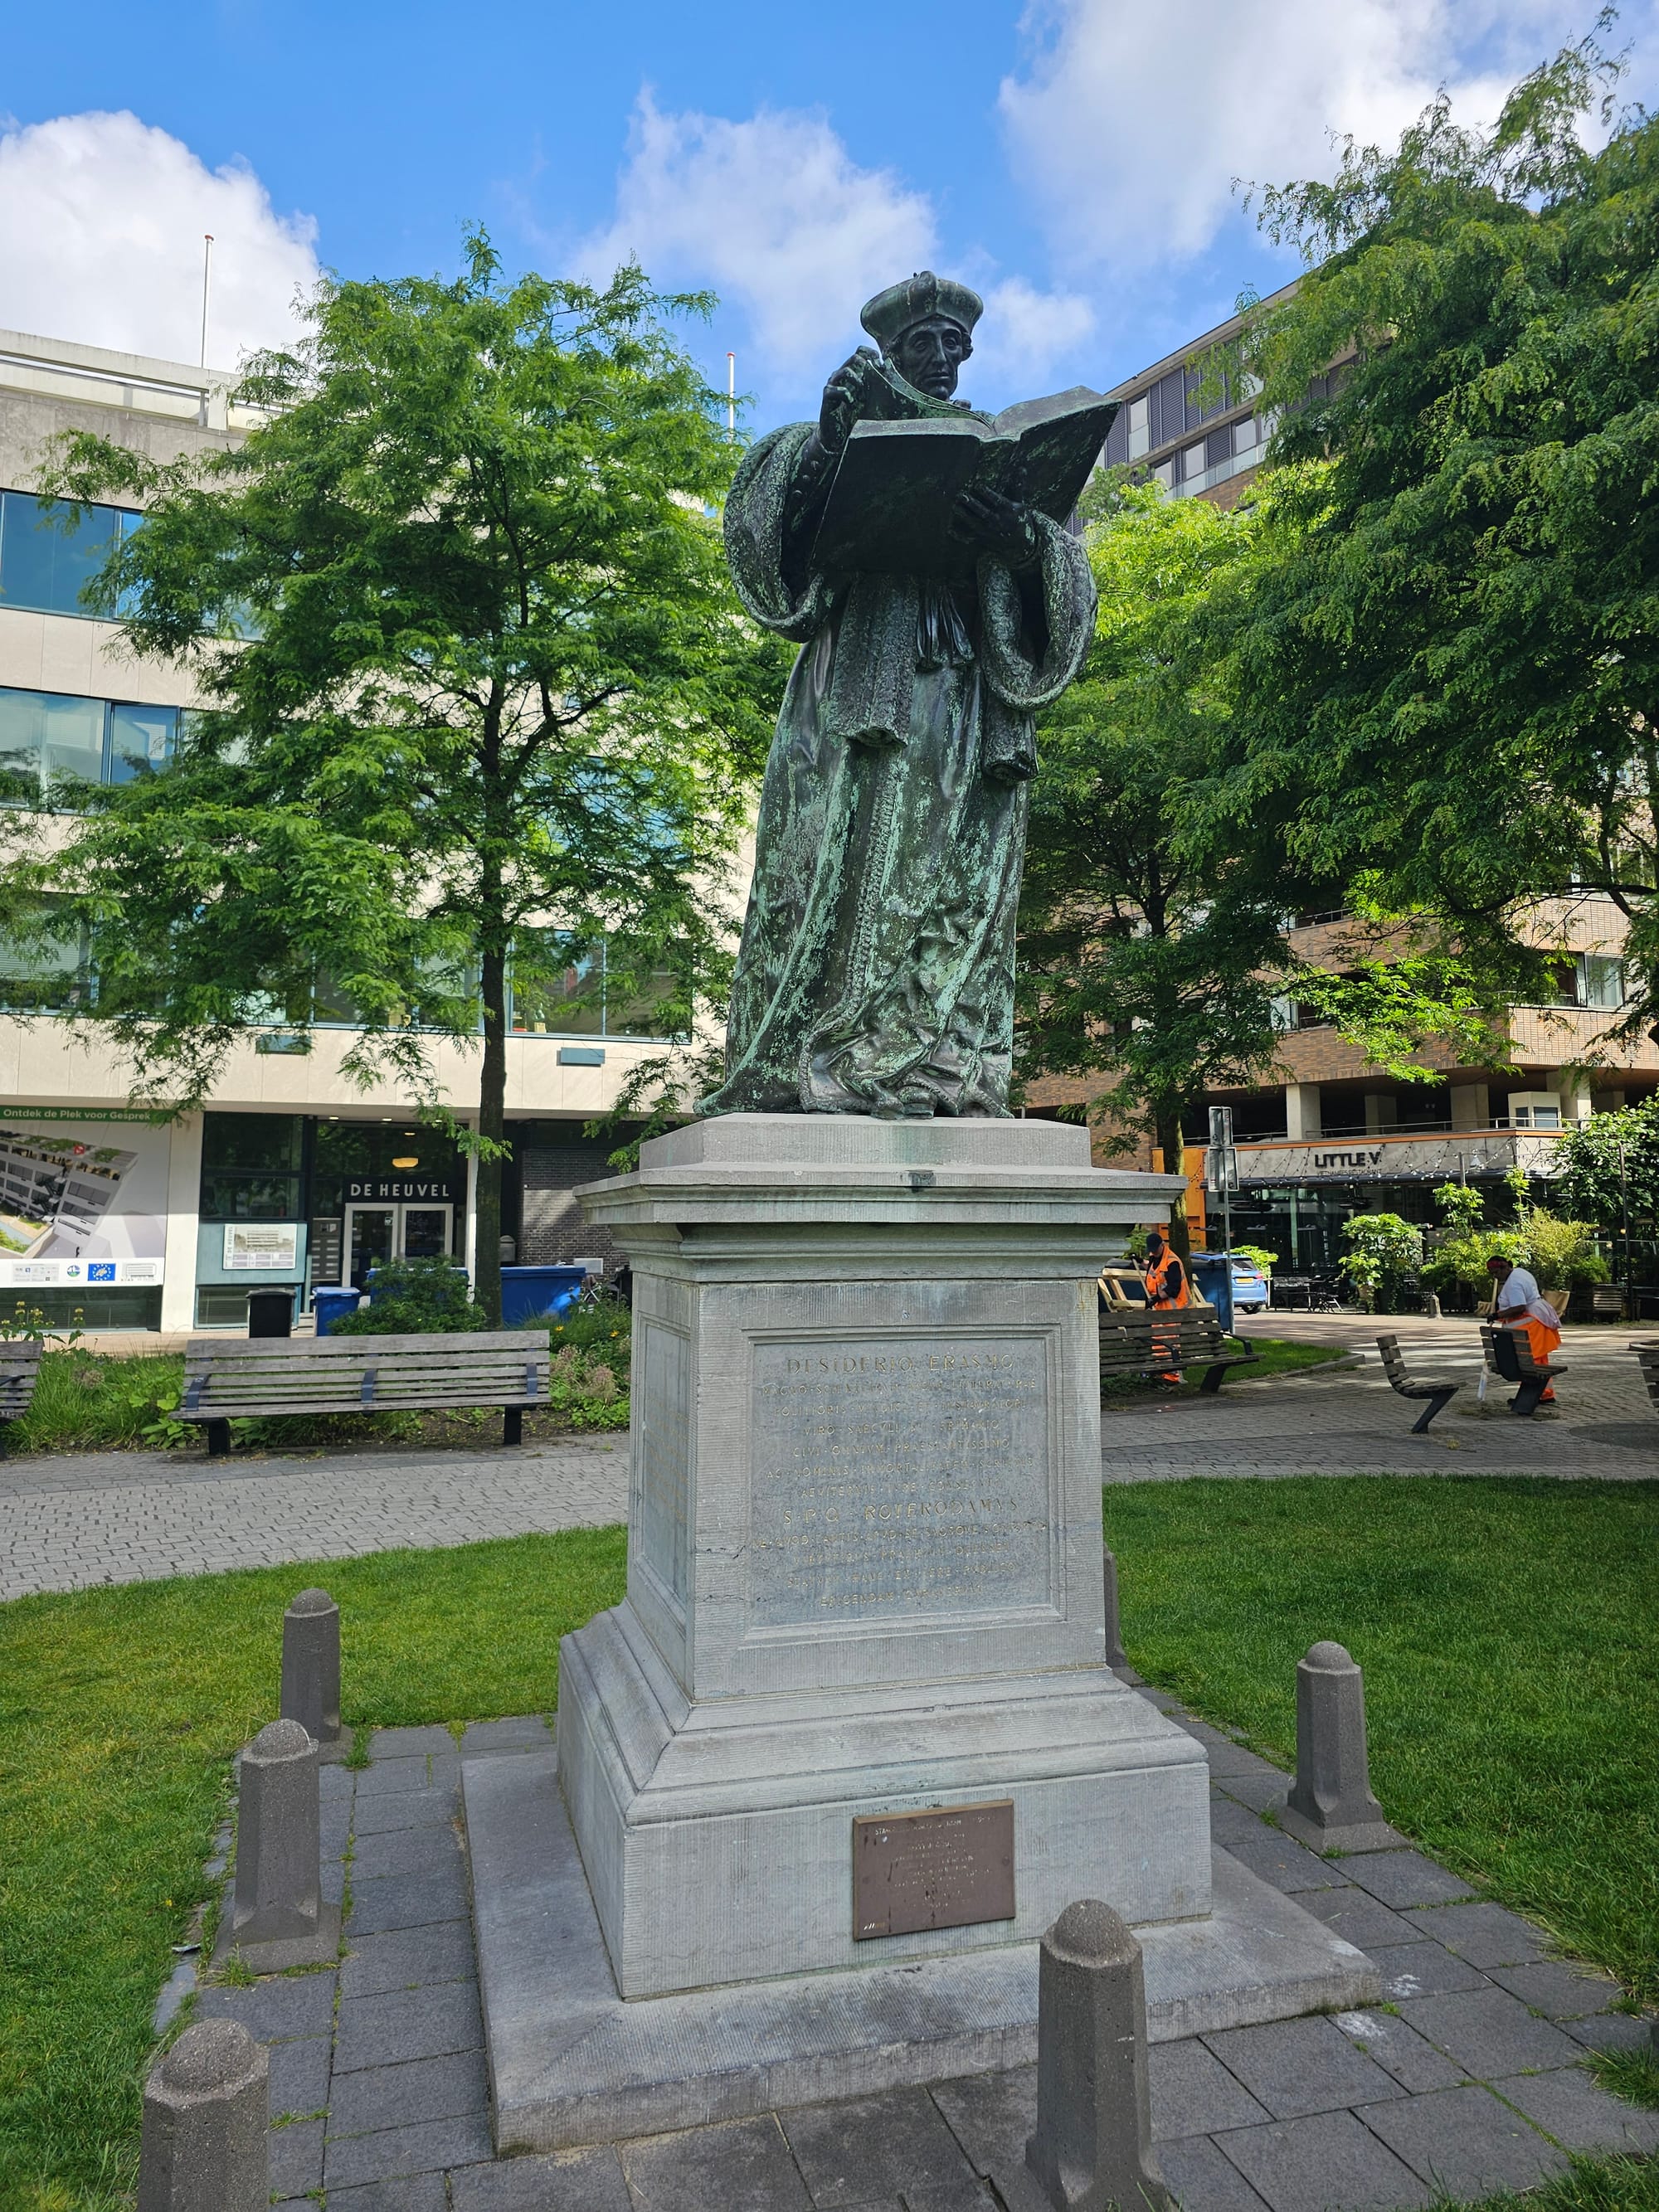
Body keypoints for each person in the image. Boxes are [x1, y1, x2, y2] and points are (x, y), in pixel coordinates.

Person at [698, 271, 1097, 1120]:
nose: (947, 357)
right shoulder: (827, 428)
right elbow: (759, 530)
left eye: (959, 344)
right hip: (867, 684)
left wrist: (1022, 543)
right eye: (929, 342)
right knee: (853, 864)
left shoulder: (990, 456)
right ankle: (837, 1050)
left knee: (960, 870)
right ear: (890, 350)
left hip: (969, 692)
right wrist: (824, 451)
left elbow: (1063, 580)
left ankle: (940, 1058)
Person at [1486, 1256, 1561, 1404]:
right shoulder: (1520, 1272)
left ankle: (1532, 1396)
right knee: (1538, 1360)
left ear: (1504, 1267)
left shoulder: (1513, 1283)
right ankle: (1545, 1394)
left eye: (1496, 1272)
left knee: (1527, 1362)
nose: (1495, 1276)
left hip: (1531, 1325)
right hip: (1537, 1321)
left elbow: (1519, 1307)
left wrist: (1497, 1315)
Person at [1143, 1228, 1190, 1385]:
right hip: (1159, 1309)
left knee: (1170, 1342)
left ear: (1162, 1245)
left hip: (1172, 1309)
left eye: (1155, 1250)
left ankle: (1172, 1377)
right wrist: (1139, 1262)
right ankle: (1161, 1373)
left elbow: (1173, 1288)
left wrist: (1155, 1298)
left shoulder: (1172, 1262)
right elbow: (1155, 1274)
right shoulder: (1154, 1257)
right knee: (1159, 1341)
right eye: (1151, 1250)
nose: (1153, 1253)